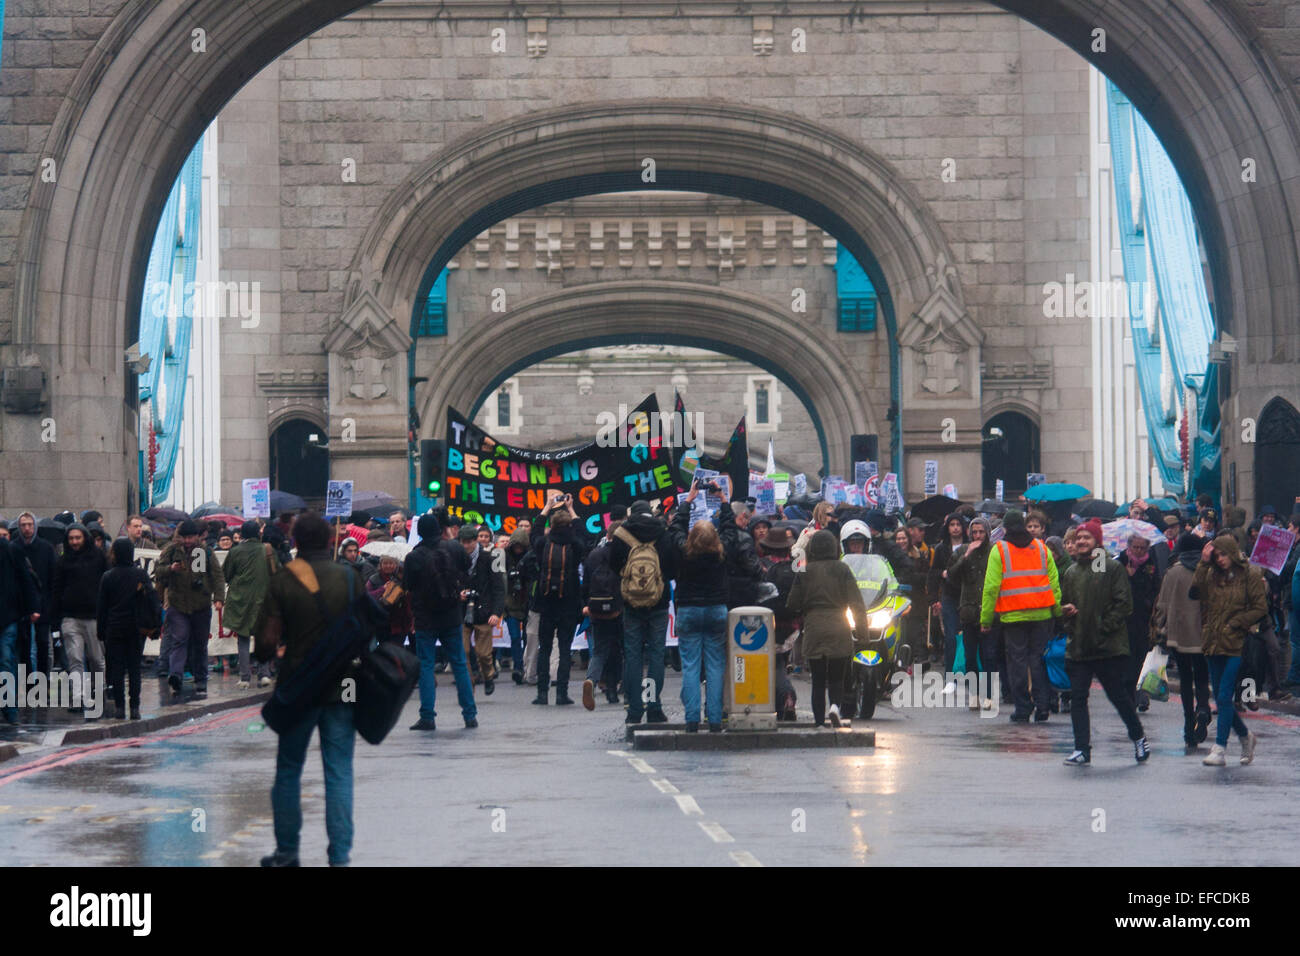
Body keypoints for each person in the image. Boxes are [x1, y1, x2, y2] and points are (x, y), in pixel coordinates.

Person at [253, 513, 360, 867]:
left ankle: (287, 852)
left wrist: (270, 652)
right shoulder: (349, 576)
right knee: (340, 769)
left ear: (295, 540)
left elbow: (266, 642)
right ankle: (340, 856)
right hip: (345, 683)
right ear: (331, 540)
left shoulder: (284, 579)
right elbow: (368, 628)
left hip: (299, 681)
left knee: (289, 768)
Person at [1059, 519, 1148, 764]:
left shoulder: (1108, 567)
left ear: (1097, 542)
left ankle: (1138, 736)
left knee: (1118, 696)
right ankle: (1082, 749)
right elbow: (1064, 603)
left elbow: (1123, 604)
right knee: (1078, 697)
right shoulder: (1071, 572)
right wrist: (1067, 616)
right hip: (1079, 646)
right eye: (1078, 538)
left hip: (1106, 646)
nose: (1081, 542)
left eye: (1086, 538)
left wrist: (1102, 627)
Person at [980, 509, 1061, 723]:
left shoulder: (1000, 550)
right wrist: (1057, 609)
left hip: (1013, 615)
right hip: (1042, 614)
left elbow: (990, 588)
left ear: (1005, 528)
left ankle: (1023, 708)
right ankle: (1043, 705)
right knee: (1038, 660)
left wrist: (986, 620)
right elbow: (1054, 581)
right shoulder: (1041, 548)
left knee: (1017, 662)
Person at [1192, 535, 1266, 767]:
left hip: (1236, 642)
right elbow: (1195, 592)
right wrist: (1203, 563)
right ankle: (1246, 737)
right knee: (1222, 699)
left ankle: (1220, 748)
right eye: (1217, 556)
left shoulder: (1251, 574)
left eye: (1223, 554)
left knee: (1224, 696)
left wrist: (1236, 623)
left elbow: (1260, 608)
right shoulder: (1212, 573)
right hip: (1213, 640)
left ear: (1233, 553)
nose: (1221, 560)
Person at [667, 482, 733, 732]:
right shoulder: (721, 552)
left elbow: (675, 528)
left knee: (691, 665)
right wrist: (723, 500)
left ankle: (692, 719)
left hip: (689, 610)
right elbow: (729, 529)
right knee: (716, 665)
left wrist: (688, 500)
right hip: (716, 609)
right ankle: (715, 719)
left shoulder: (685, 552)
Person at [787, 529, 868, 728]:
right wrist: (862, 634)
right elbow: (857, 603)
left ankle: (818, 721)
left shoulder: (804, 571)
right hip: (839, 625)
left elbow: (792, 603)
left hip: (814, 627)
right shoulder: (842, 569)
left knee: (818, 679)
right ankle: (834, 707)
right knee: (837, 677)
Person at [404, 513, 475, 731]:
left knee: (426, 665)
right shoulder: (453, 548)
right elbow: (466, 567)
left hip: (426, 617)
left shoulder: (414, 557)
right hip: (451, 613)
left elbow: (409, 586)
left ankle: (427, 716)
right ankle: (469, 714)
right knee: (459, 664)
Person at [611, 499, 677, 724]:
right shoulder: (662, 531)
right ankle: (654, 706)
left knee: (633, 655)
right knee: (657, 654)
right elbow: (670, 565)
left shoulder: (622, 533)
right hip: (658, 602)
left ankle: (635, 709)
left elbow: (612, 564)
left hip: (630, 602)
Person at [153, 519, 226, 703]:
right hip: (178, 605)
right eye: (184, 537)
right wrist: (171, 568)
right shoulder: (171, 550)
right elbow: (158, 572)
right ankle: (176, 675)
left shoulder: (204, 552)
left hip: (200, 605)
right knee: (179, 639)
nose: (187, 541)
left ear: (197, 536)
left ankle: (200, 678)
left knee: (200, 644)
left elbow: (216, 576)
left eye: (190, 537)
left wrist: (218, 598)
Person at [1151, 533, 1212, 749]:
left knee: (1186, 678)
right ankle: (1203, 708)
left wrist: (1159, 628)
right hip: (1204, 633)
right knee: (1202, 674)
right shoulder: (1208, 570)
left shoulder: (1173, 572)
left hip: (1178, 634)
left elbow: (1163, 605)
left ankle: (1188, 726)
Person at [529, 496, 587, 705]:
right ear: (569, 525)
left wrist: (546, 507)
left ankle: (542, 693)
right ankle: (561, 692)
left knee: (545, 648)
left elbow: (535, 531)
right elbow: (583, 533)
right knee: (564, 648)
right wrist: (572, 509)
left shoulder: (543, 543)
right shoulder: (575, 544)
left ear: (551, 525)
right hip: (569, 604)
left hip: (546, 604)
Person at [96, 538, 160, 721]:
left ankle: (119, 707)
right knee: (134, 669)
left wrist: (101, 630)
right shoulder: (140, 575)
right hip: (136, 628)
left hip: (114, 628)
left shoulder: (108, 576)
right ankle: (135, 707)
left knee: (116, 669)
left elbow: (102, 607)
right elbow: (151, 600)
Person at [51, 521, 108, 714]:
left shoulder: (99, 558)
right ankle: (78, 698)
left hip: (93, 616)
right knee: (75, 659)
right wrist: (56, 617)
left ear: (85, 538)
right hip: (70, 617)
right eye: (71, 538)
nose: (75, 542)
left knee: (96, 658)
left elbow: (106, 584)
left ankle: (99, 692)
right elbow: (57, 589)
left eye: (78, 538)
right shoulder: (63, 561)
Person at [949, 516, 997, 711]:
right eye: (974, 532)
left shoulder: (994, 551)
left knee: (989, 655)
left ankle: (988, 694)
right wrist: (965, 555)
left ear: (987, 533)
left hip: (989, 611)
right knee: (970, 656)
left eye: (981, 532)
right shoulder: (962, 550)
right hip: (968, 611)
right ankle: (974, 693)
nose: (977, 536)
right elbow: (951, 576)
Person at [222, 521, 277, 689]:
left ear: (242, 535)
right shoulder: (267, 550)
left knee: (243, 639)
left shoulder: (235, 552)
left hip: (241, 601)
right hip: (263, 600)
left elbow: (226, 574)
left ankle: (245, 677)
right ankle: (265, 674)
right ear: (258, 534)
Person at [581, 522, 624, 708]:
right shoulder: (624, 554)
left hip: (596, 608)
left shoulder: (594, 554)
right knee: (618, 650)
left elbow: (586, 583)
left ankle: (592, 679)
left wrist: (586, 604)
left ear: (607, 535)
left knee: (599, 650)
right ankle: (614, 691)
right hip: (618, 608)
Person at [1118, 532, 1161, 711]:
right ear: (1129, 546)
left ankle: (1136, 693)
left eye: (1142, 548)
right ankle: (1128, 696)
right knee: (1126, 659)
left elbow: (1156, 586)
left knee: (1140, 657)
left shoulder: (1151, 563)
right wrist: (1128, 575)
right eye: (1135, 547)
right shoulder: (1120, 561)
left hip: (1144, 618)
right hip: (1124, 619)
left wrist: (1150, 603)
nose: (1138, 551)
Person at [0, 531, 40, 724]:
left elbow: (25, 579)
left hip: (7, 617)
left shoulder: (10, 550)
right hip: (9, 615)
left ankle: (10, 709)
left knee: (6, 661)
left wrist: (32, 607)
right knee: (6, 662)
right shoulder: (11, 549)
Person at [461, 523, 504, 694]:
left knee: (484, 654)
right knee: (462, 652)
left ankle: (488, 675)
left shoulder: (490, 558)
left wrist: (496, 612)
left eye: (469, 542)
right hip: (462, 612)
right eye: (463, 542)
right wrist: (458, 593)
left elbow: (499, 588)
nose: (466, 546)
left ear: (475, 541)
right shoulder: (457, 558)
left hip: (484, 612)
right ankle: (468, 684)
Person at [14, 512, 56, 681]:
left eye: (30, 524)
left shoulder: (46, 548)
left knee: (42, 645)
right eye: (23, 525)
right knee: (24, 648)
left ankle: (42, 683)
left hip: (43, 604)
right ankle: (30, 684)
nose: (27, 528)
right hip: (21, 606)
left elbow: (52, 577)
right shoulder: (14, 547)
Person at [928, 513, 967, 679]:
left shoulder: (970, 545)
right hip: (949, 595)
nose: (956, 528)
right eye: (952, 524)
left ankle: (967, 670)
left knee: (966, 635)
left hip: (967, 596)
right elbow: (933, 573)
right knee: (950, 636)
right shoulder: (941, 548)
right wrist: (934, 600)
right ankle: (951, 674)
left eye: (958, 524)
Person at [502, 526, 536, 685]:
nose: (517, 549)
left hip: (527, 601)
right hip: (510, 603)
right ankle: (518, 667)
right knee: (515, 637)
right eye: (515, 546)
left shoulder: (530, 558)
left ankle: (526, 667)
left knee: (527, 638)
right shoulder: (503, 557)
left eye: (520, 546)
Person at [366, 554, 411, 646]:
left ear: (396, 564)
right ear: (381, 564)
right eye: (385, 563)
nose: (388, 566)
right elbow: (367, 596)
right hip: (381, 622)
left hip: (399, 622)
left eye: (391, 563)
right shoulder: (374, 579)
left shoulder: (402, 578)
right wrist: (383, 589)